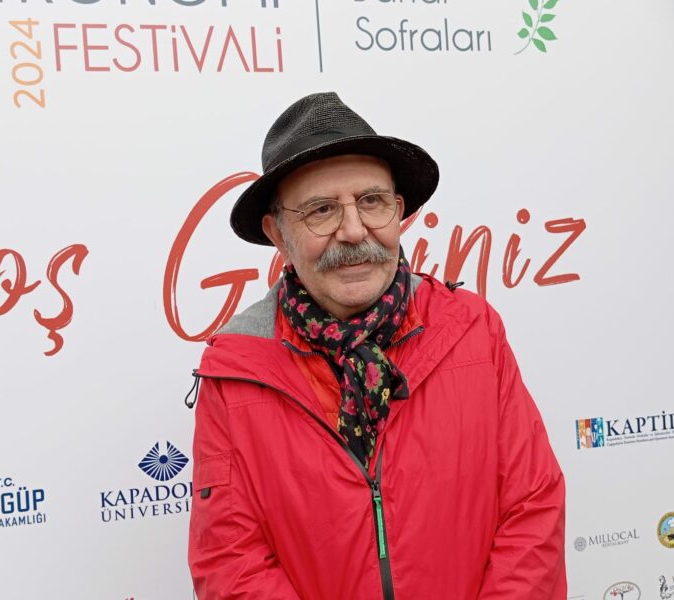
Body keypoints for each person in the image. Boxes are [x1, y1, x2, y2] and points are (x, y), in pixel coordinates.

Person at [186, 92, 566, 599]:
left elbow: (532, 506)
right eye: (321, 210)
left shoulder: (473, 329)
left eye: (371, 202)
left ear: (398, 211)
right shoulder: (236, 369)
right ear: (278, 233)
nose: (353, 230)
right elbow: (231, 559)